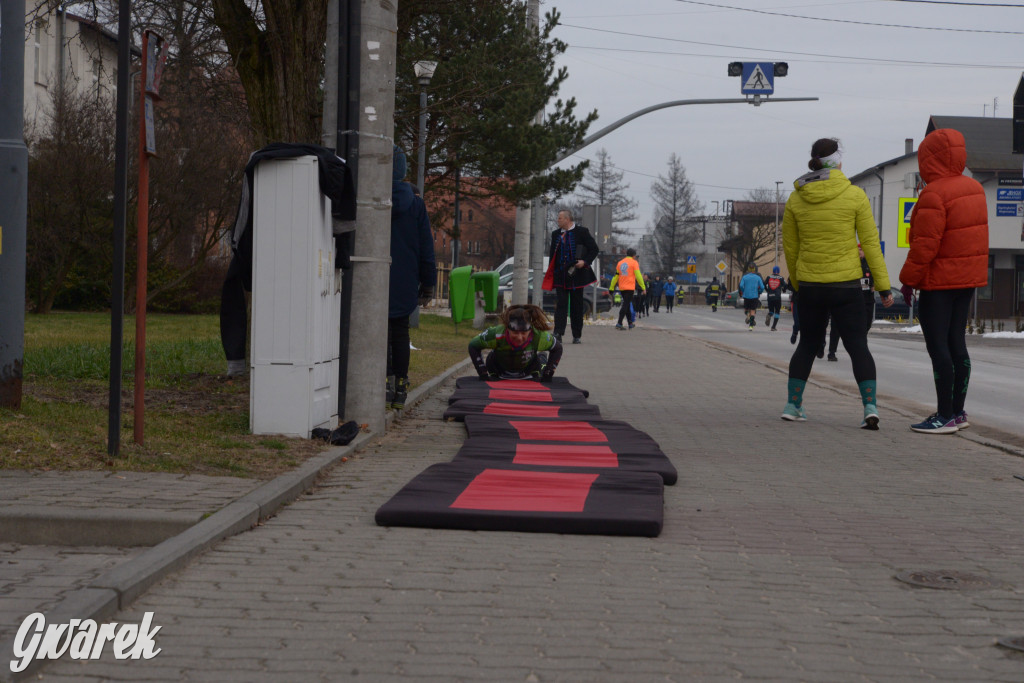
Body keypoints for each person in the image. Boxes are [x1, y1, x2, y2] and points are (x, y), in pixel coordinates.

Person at [780, 137, 893, 429]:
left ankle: (793, 405)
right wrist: (882, 286)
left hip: (811, 287)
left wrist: (796, 283)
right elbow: (870, 244)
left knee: (807, 344)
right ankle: (870, 407)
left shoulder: (795, 198)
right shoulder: (854, 196)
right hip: (847, 287)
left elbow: (790, 249)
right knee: (858, 346)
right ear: (838, 162)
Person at [899, 128, 988, 434]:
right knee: (957, 345)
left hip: (938, 282)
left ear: (929, 159)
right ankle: (958, 412)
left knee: (939, 348)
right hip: (967, 282)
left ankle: (943, 415)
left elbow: (926, 245)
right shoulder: (974, 188)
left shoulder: (934, 194)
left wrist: (908, 281)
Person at [387, 146, 436, 410]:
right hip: (405, 278)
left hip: (373, 275)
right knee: (399, 330)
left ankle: (384, 379)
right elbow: (426, 248)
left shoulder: (369, 200)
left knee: (378, 330)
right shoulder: (416, 205)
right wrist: (428, 283)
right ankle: (401, 384)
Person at [542, 209, 599, 345]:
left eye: (560, 218)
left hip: (577, 276)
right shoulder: (556, 234)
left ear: (567, 219)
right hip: (561, 275)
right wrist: (552, 273)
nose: (558, 220)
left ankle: (577, 334)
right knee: (561, 304)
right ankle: (558, 332)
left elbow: (594, 249)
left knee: (576, 305)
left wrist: (584, 262)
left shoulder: (582, 232)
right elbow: (552, 255)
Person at [468, 304, 563, 381]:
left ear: (530, 330)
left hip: (529, 371)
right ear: (507, 328)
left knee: (541, 363)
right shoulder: (496, 333)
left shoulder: (538, 336)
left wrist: (548, 373)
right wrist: (482, 372)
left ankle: (542, 356)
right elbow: (473, 345)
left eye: (523, 333)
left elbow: (557, 348)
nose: (519, 337)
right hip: (499, 371)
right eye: (515, 332)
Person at [827, 245, 876, 361]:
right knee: (837, 326)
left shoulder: (869, 265)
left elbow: (874, 283)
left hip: (867, 300)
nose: (860, 252)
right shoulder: (850, 264)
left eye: (861, 250)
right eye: (858, 250)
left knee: (866, 326)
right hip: (850, 299)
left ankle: (861, 349)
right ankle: (832, 351)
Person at [611, 248, 646, 330]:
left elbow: (616, 276)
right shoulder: (634, 263)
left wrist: (611, 287)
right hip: (630, 287)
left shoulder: (620, 263)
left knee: (627, 304)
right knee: (625, 304)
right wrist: (643, 287)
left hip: (622, 287)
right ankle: (619, 323)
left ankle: (630, 323)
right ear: (633, 255)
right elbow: (638, 276)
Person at [738, 264, 765, 330]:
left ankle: (748, 315)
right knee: (753, 311)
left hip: (746, 296)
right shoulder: (757, 277)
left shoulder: (745, 277)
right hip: (754, 296)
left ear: (748, 269)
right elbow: (762, 287)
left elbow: (741, 285)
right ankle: (751, 326)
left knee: (746, 309)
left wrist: (744, 291)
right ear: (754, 270)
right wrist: (760, 291)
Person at [763, 266, 788, 331]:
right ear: (779, 271)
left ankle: (769, 315)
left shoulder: (769, 277)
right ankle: (773, 327)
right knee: (777, 312)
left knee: (771, 311)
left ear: (773, 271)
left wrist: (767, 290)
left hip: (770, 296)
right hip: (777, 297)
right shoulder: (781, 278)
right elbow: (786, 285)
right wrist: (784, 290)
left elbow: (763, 284)